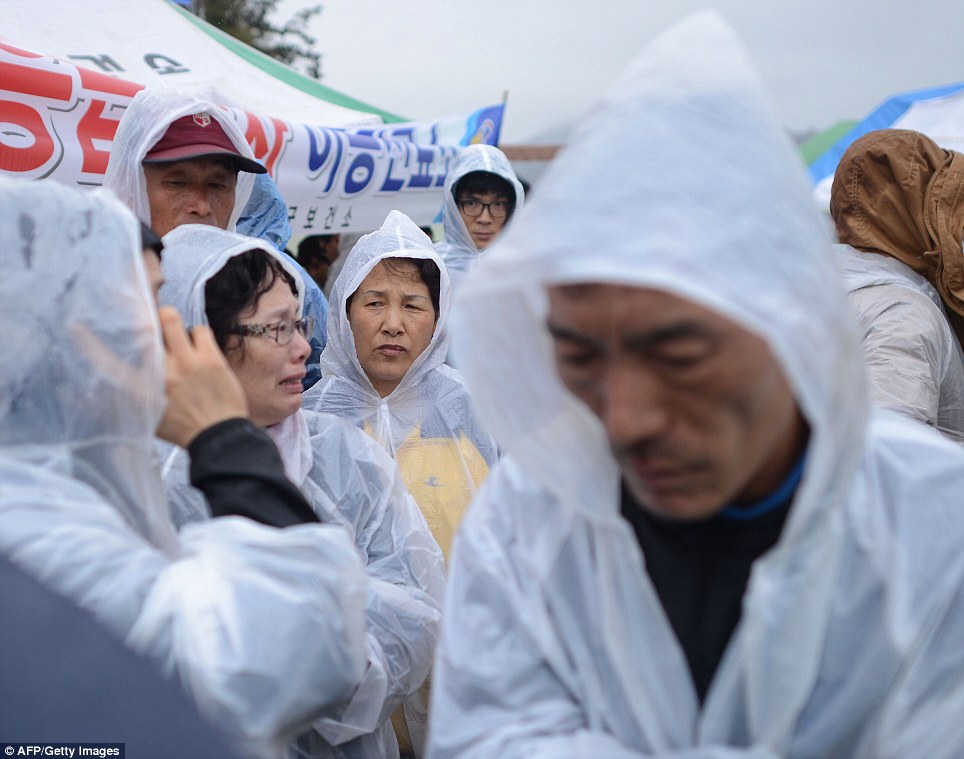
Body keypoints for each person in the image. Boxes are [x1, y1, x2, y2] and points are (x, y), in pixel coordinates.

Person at [428, 13, 964, 759]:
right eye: (580, 356)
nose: (625, 419)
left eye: (678, 352)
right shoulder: (528, 520)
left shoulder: (934, 526)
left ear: (792, 326)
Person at [0, 176, 369, 759]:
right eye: (146, 307)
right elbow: (290, 648)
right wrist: (222, 437)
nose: (172, 335)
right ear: (72, 333)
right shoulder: (36, 526)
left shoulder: (67, 478)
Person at [156, 223, 445, 759]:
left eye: (300, 325)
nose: (302, 349)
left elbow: (412, 615)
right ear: (202, 340)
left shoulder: (343, 455)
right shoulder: (148, 479)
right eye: (275, 330)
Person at [304, 210, 498, 565]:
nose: (393, 324)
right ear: (345, 313)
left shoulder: (468, 409)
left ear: (438, 319)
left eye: (412, 305)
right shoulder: (310, 420)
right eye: (375, 303)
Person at [104, 86, 329, 381]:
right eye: (177, 183)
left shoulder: (279, 286)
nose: (201, 206)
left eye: (217, 185)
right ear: (133, 185)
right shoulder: (96, 287)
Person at [829, 128, 964, 441]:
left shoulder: (819, 294)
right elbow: (887, 452)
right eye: (949, 208)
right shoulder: (903, 314)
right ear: (924, 213)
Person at [435, 143, 525, 292]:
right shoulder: (428, 266)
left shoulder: (527, 270)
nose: (485, 218)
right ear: (453, 206)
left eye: (497, 204)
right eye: (472, 203)